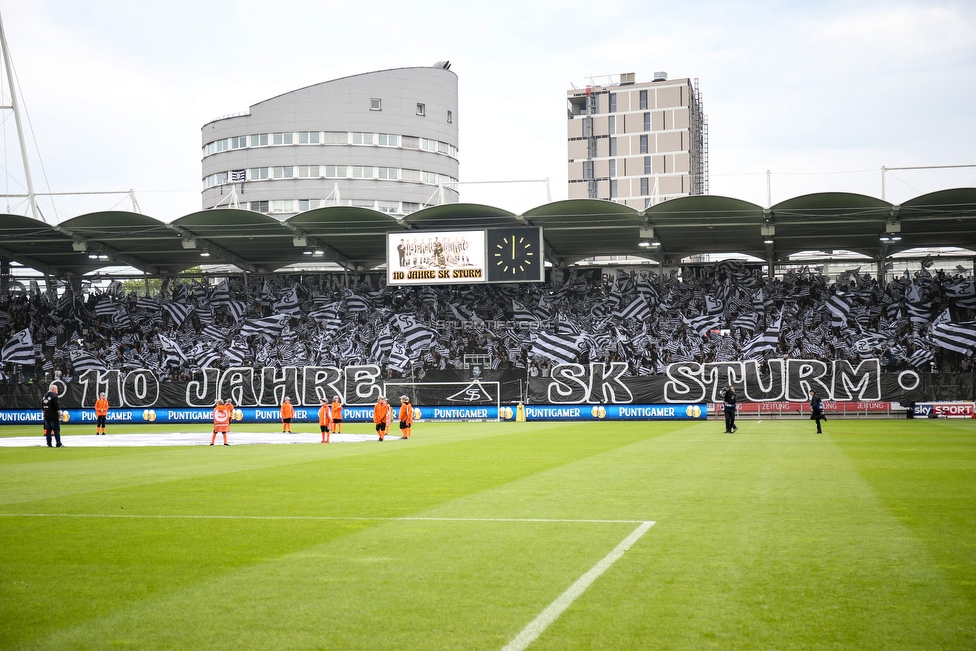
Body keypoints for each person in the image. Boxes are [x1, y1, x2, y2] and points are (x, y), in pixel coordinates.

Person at [42, 383, 63, 448]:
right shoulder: (54, 396)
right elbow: (57, 407)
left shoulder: (45, 396)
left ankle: (49, 443)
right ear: (53, 389)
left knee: (48, 430)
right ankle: (58, 443)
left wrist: (44, 414)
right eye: (56, 389)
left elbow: (42, 407)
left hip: (46, 416)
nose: (57, 391)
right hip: (53, 416)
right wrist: (60, 414)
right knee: (56, 430)